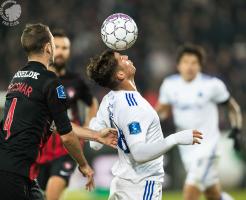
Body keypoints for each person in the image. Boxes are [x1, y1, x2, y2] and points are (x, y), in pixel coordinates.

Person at [0, 23, 117, 200]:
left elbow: (58, 125)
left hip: (15, 169)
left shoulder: (18, 76)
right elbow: (67, 135)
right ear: (48, 47)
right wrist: (84, 164)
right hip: (15, 173)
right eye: (54, 43)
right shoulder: (50, 80)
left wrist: (95, 135)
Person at [86, 49, 203, 200]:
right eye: (122, 59)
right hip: (141, 186)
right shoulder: (133, 106)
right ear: (120, 74)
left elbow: (94, 144)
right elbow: (139, 154)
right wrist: (176, 139)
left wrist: (94, 120)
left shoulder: (109, 100)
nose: (126, 57)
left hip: (121, 184)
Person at [156, 44, 242, 200]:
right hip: (187, 148)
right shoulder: (169, 85)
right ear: (178, 65)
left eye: (194, 62)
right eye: (186, 62)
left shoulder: (212, 85)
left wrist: (237, 129)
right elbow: (162, 111)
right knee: (213, 195)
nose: (189, 66)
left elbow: (233, 107)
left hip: (207, 147)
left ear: (200, 66)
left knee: (190, 193)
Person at [37, 29, 98, 200]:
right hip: (40, 147)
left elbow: (92, 103)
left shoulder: (76, 81)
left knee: (52, 192)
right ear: (48, 49)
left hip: (67, 146)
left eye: (65, 48)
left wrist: (87, 127)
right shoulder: (39, 78)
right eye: (57, 47)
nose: (61, 51)